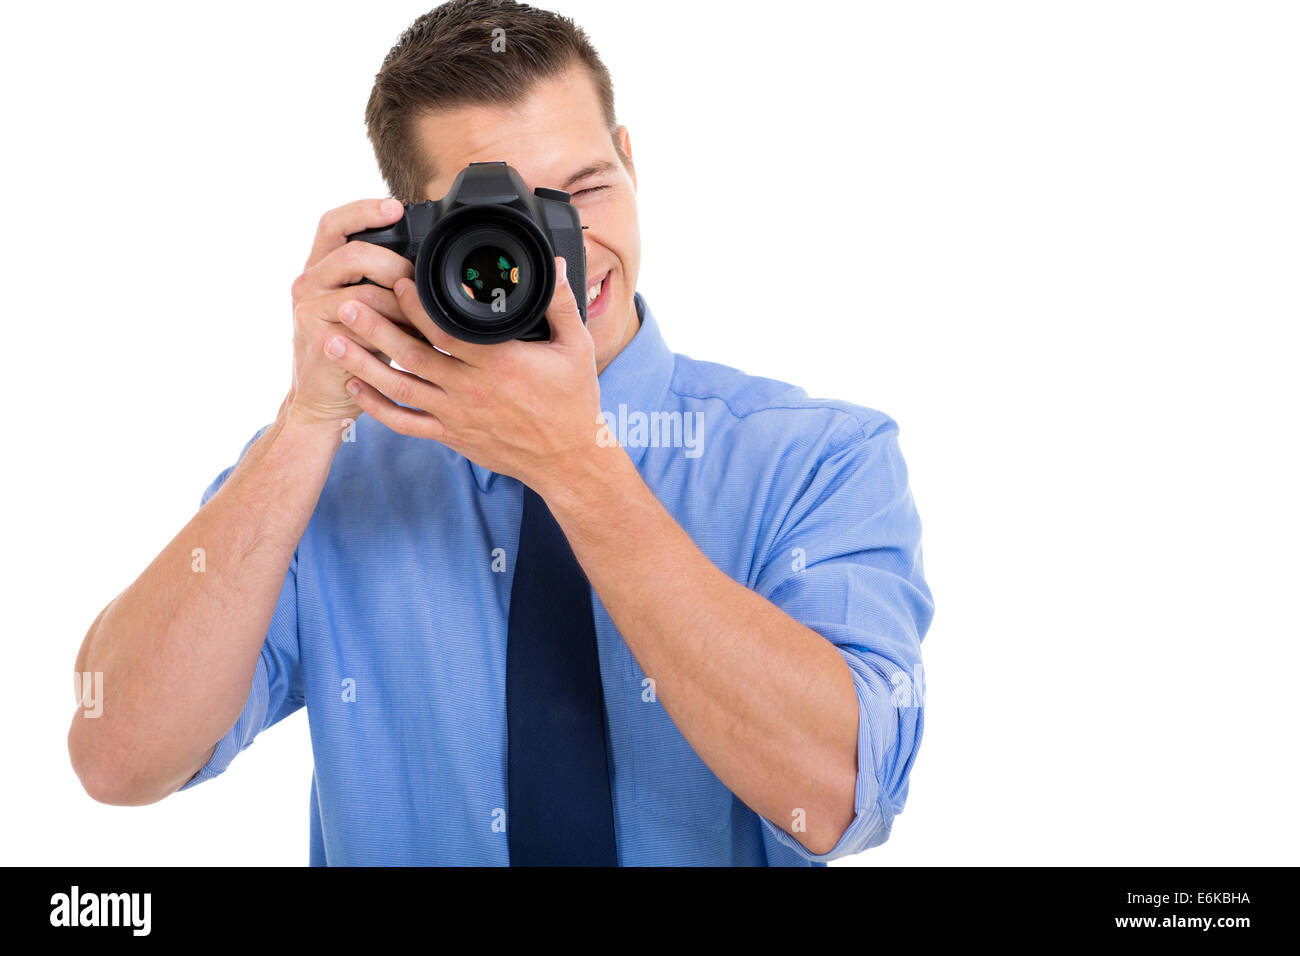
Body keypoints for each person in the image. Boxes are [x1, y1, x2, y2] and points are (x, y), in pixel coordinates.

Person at [67, 0, 934, 866]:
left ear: (631, 164)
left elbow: (840, 799)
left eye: (588, 188)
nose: (566, 256)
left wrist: (574, 468)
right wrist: (309, 416)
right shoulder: (332, 478)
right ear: (415, 240)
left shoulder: (818, 459)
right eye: (509, 221)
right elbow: (117, 759)